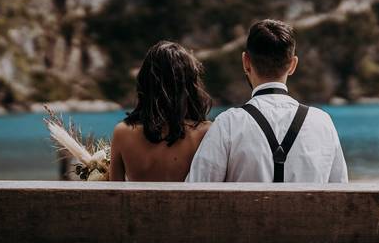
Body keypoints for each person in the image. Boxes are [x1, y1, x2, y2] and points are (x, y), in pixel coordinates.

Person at [186, 19, 348, 183]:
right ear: (292, 65)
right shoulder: (322, 123)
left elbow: (196, 189)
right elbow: (341, 190)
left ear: (246, 62)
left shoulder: (227, 124)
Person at [109, 40, 212, 181]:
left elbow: (113, 194)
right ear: (189, 86)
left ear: (144, 84)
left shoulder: (122, 133)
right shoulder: (205, 133)